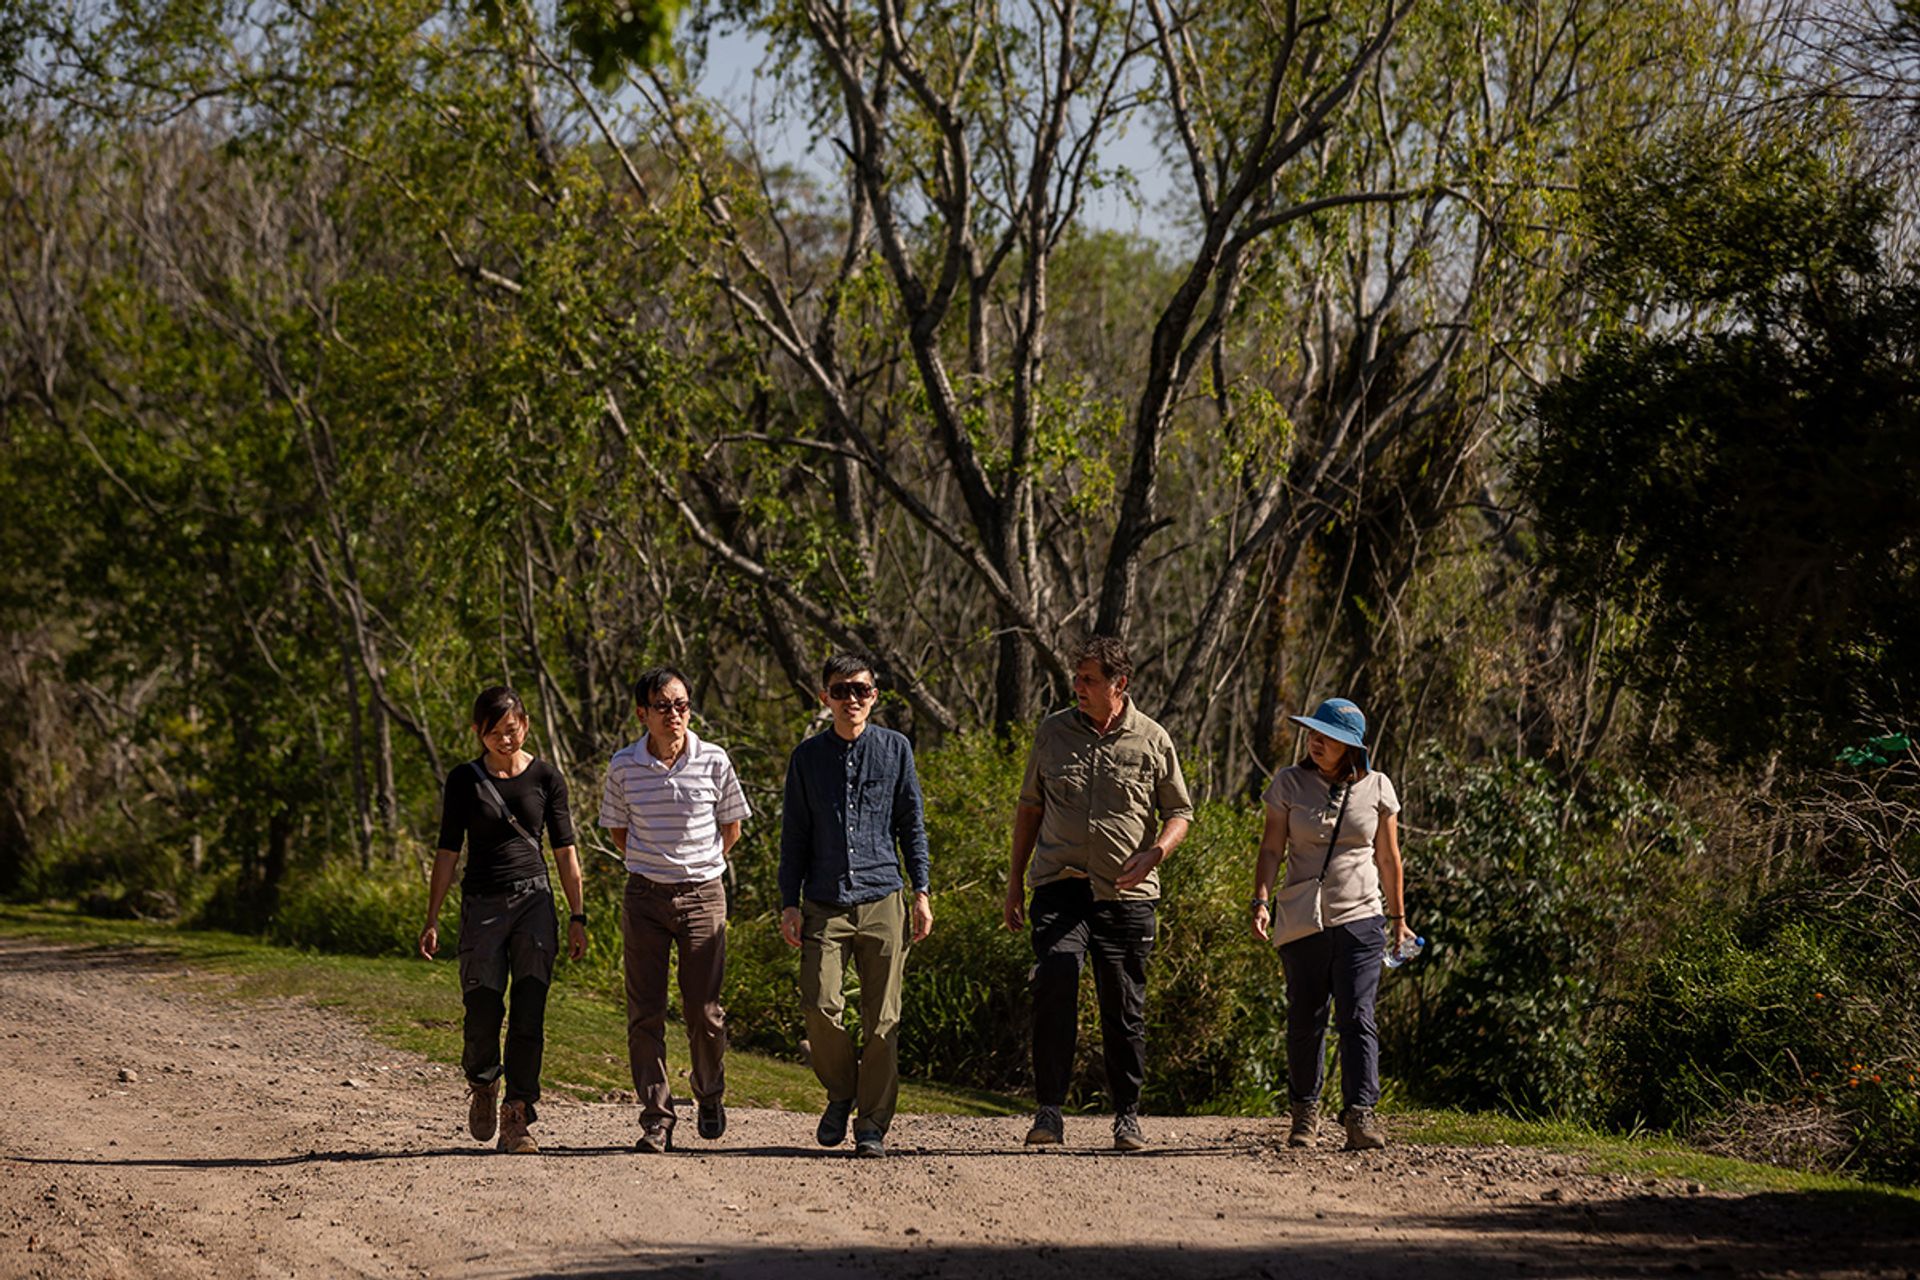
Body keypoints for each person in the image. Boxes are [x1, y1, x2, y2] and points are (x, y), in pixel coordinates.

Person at [1004, 635, 1193, 1151]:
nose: (1078, 688)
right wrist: (1014, 883)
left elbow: (1181, 812)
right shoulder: (1052, 733)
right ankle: (1048, 1113)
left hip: (1126, 896)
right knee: (1056, 982)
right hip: (1059, 886)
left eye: (1089, 679)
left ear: (1119, 684)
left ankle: (1127, 1116)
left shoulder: (1153, 739)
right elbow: (1029, 810)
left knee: (1123, 1004)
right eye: (1077, 679)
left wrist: (1156, 853)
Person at [419, 686, 587, 1155]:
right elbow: (448, 850)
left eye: (511, 731)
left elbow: (565, 851)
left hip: (534, 901)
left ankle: (518, 1114)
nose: (505, 741)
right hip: (482, 906)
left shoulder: (547, 779)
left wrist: (578, 915)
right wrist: (432, 916)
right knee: (482, 1013)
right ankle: (483, 1081)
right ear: (478, 733)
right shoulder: (464, 780)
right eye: (494, 733)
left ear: (525, 726)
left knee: (529, 1014)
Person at [779, 653, 934, 1159]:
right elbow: (794, 835)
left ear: (874, 696)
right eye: (841, 690)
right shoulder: (806, 758)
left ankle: (871, 1126)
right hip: (824, 900)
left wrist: (922, 891)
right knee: (820, 1005)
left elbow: (912, 824)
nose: (852, 700)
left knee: (883, 1020)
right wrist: (789, 902)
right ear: (824, 697)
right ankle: (842, 1090)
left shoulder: (896, 749)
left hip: (884, 896)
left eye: (861, 690)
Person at [1249, 696, 1411, 1152]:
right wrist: (1260, 899)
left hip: (1361, 918)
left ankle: (1361, 1114)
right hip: (1304, 920)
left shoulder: (1378, 787)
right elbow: (1270, 849)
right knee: (1306, 1017)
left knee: (1358, 1015)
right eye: (1313, 733)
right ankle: (1305, 1115)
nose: (1316, 742)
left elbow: (1388, 857)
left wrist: (1398, 920)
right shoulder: (1288, 783)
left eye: (1329, 738)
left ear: (1352, 747)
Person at [600, 666, 751, 1153]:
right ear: (643, 713)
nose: (674, 715)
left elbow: (732, 828)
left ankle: (709, 1093)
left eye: (682, 704)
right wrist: (654, 865)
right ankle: (657, 1117)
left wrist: (697, 867)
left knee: (704, 1012)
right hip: (644, 896)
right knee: (645, 1013)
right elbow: (618, 831)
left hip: (703, 894)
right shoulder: (624, 765)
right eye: (663, 706)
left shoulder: (714, 760)